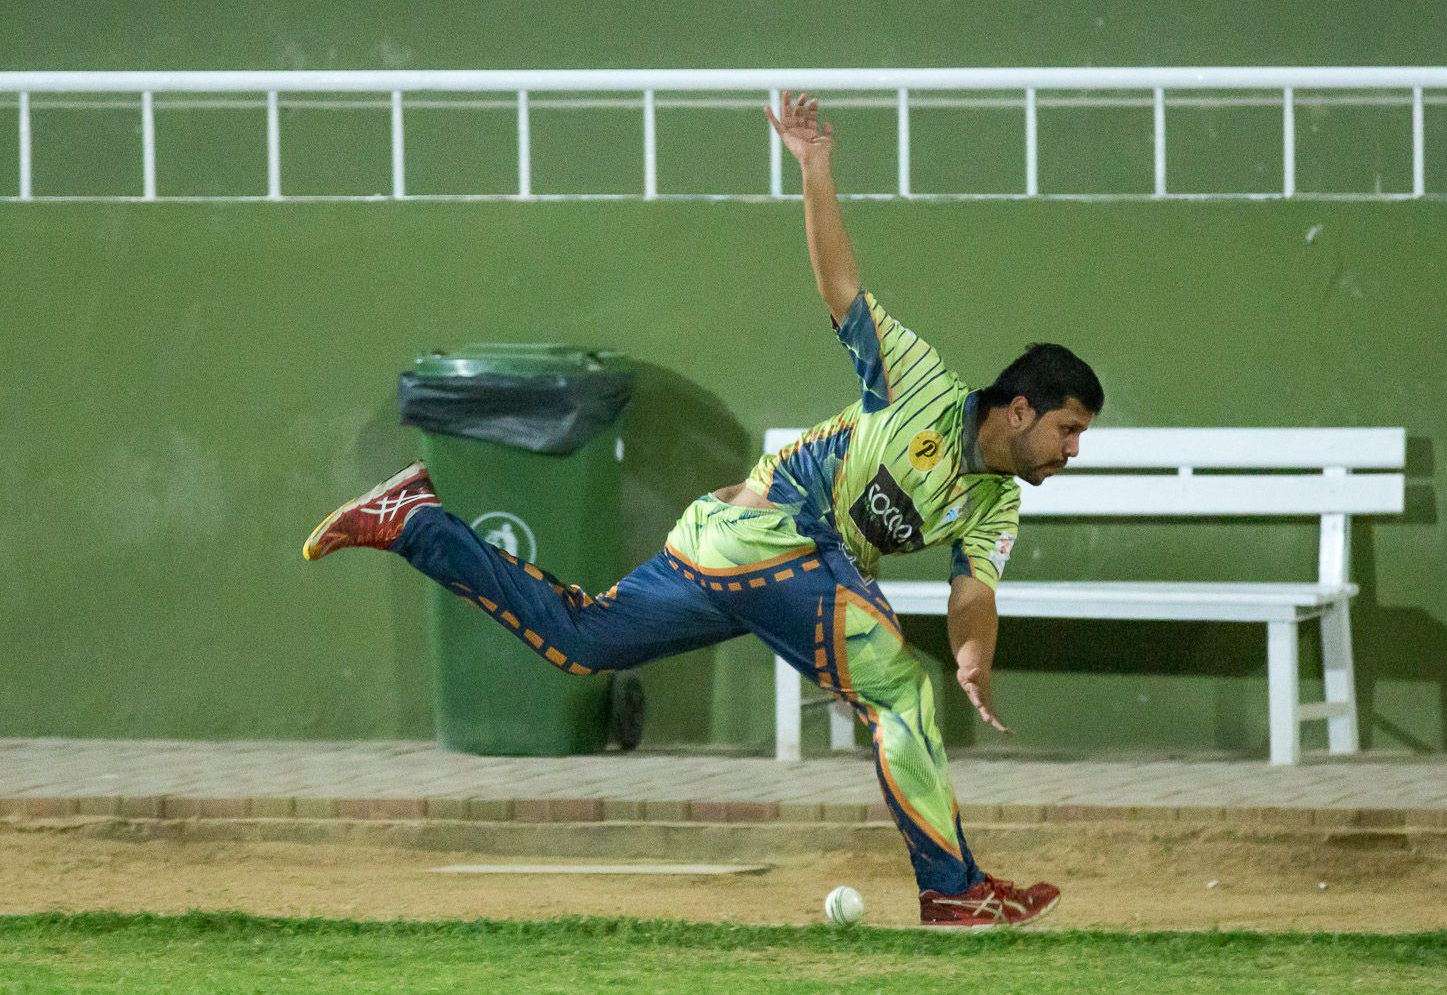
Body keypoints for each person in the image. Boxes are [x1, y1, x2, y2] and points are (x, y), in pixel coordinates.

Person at [303, 91, 1104, 929]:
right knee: (899, 684)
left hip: (747, 558)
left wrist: (974, 656)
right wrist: (815, 168)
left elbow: (973, 593)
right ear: (1019, 409)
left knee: (582, 640)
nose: (1073, 449)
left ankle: (414, 520)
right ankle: (954, 889)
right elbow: (841, 289)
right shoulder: (920, 385)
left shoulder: (995, 502)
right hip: (767, 536)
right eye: (1069, 429)